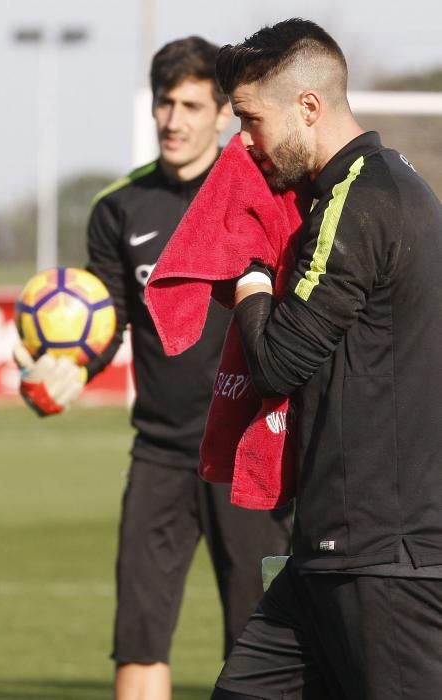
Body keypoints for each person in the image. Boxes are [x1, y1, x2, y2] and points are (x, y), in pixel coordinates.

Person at [14, 36, 294, 700]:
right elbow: (104, 323)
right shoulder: (120, 207)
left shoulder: (263, 197)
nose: (173, 119)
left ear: (223, 113)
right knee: (138, 636)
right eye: (165, 103)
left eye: (191, 105)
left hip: (249, 456)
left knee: (259, 643)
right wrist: (69, 371)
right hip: (161, 454)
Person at [208, 17, 442, 700]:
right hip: (327, 553)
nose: (244, 143)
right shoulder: (389, 186)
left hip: (382, 560)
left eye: (251, 120)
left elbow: (277, 363)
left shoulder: (360, 200)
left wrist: (249, 274)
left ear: (307, 106)